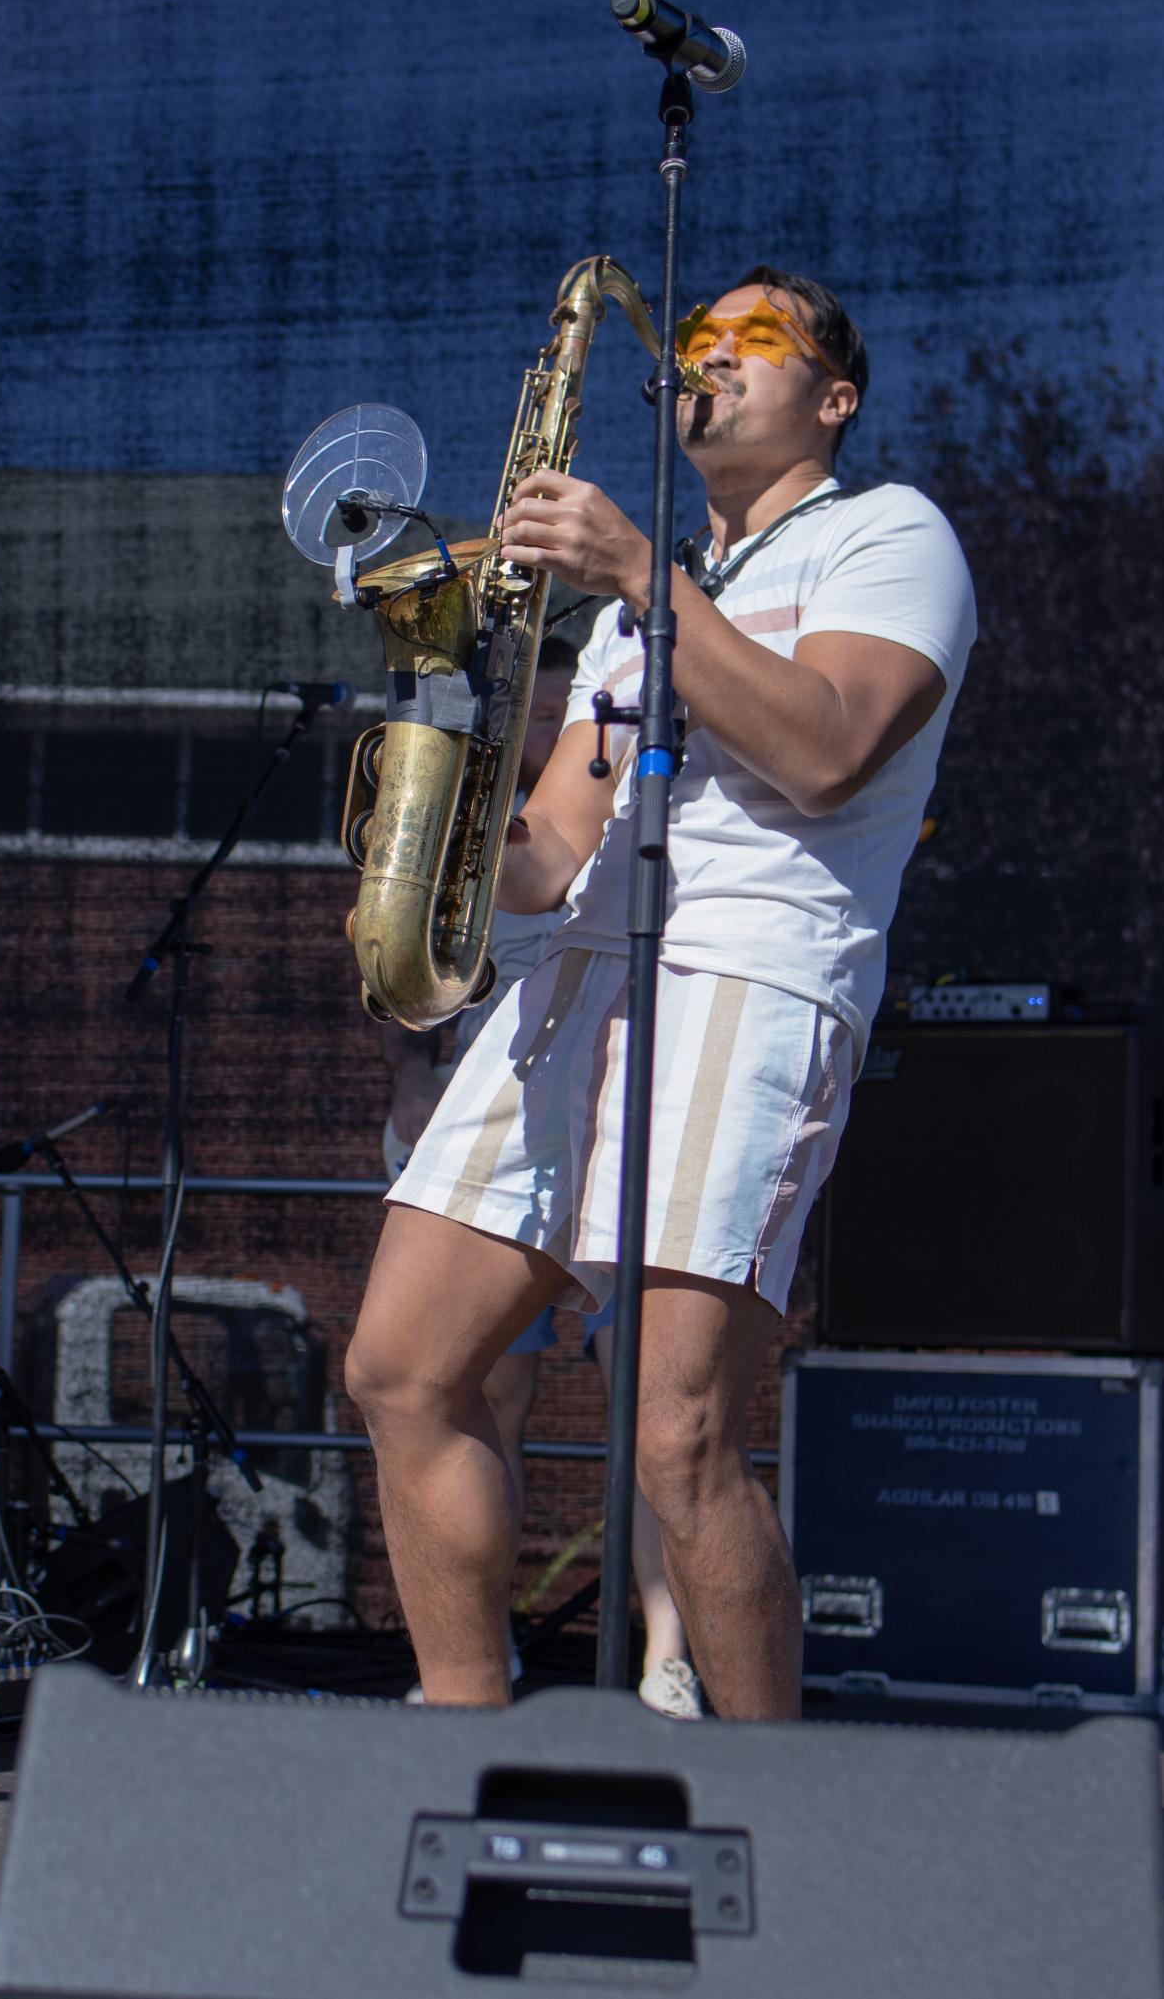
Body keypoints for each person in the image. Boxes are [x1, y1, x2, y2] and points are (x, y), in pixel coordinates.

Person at [345, 266, 977, 1715]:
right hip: (577, 976)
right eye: (696, 342)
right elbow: (554, 850)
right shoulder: (644, 612)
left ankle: (770, 1820)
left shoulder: (888, 537)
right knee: (398, 1367)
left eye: (756, 341)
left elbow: (825, 749)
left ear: (832, 395)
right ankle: (460, 1738)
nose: (712, 360)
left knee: (677, 1435)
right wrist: (436, 787)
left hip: (746, 979)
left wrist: (639, 571)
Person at [381, 643, 702, 1716]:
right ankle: (481, 1656)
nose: (560, 721)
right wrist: (410, 1090)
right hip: (504, 1111)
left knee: (653, 1404)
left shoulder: (653, 796)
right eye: (546, 708)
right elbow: (407, 983)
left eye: (575, 706)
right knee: (470, 1390)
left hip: (624, 1101)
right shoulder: (491, 820)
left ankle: (668, 1659)